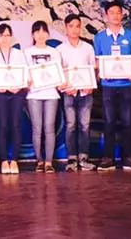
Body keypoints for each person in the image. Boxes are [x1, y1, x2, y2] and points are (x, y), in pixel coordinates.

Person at [92, 0, 131, 171]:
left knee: (127, 121)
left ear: (122, 15)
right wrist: (100, 73)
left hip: (126, 85)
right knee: (109, 122)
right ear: (106, 16)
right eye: (111, 12)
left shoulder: (130, 36)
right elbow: (97, 62)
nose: (115, 16)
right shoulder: (99, 38)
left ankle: (129, 157)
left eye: (118, 12)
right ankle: (108, 157)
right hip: (108, 86)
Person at [57, 14, 97, 172]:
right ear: (66, 28)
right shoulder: (60, 49)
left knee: (85, 125)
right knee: (71, 125)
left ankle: (84, 157)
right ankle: (72, 158)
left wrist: (91, 85)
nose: (74, 29)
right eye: (71, 26)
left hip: (86, 92)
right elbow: (58, 72)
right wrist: (65, 87)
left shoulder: (88, 48)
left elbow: (93, 69)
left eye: (77, 26)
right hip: (69, 92)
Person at [0, 23, 27, 174]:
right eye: (2, 35)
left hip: (17, 93)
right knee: (2, 125)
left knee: (16, 125)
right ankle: (4, 160)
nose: (5, 38)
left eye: (8, 35)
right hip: (0, 94)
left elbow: (24, 72)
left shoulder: (18, 54)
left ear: (12, 37)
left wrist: (19, 86)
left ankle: (14, 160)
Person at [24, 21, 63, 173]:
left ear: (48, 34)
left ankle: (48, 162)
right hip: (33, 94)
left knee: (49, 127)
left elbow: (58, 72)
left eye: (43, 31)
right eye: (37, 32)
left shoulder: (54, 52)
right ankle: (39, 161)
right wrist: (27, 81)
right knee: (37, 128)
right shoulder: (26, 52)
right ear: (32, 35)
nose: (41, 35)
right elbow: (24, 72)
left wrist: (59, 82)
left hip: (51, 93)